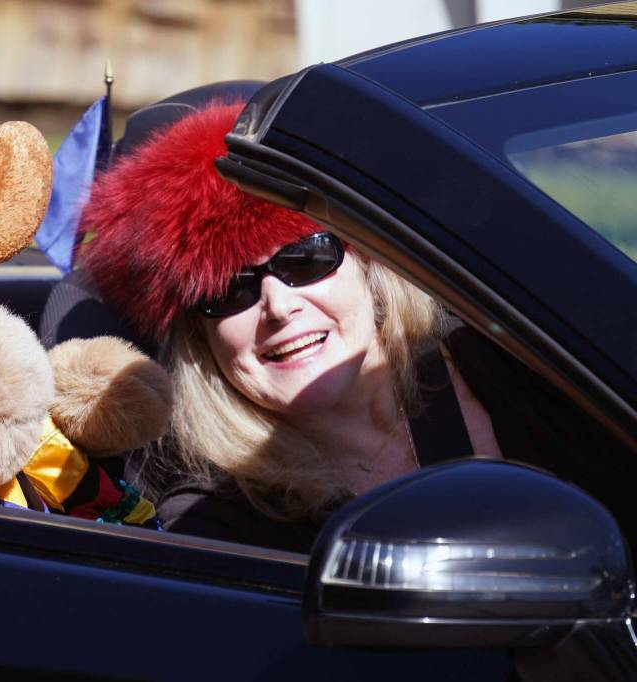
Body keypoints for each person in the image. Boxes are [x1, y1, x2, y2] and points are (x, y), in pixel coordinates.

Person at [77, 95, 632, 553]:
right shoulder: (216, 521)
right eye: (228, 290)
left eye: (305, 257)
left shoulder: (525, 365)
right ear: (201, 338)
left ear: (367, 264)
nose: (277, 305)